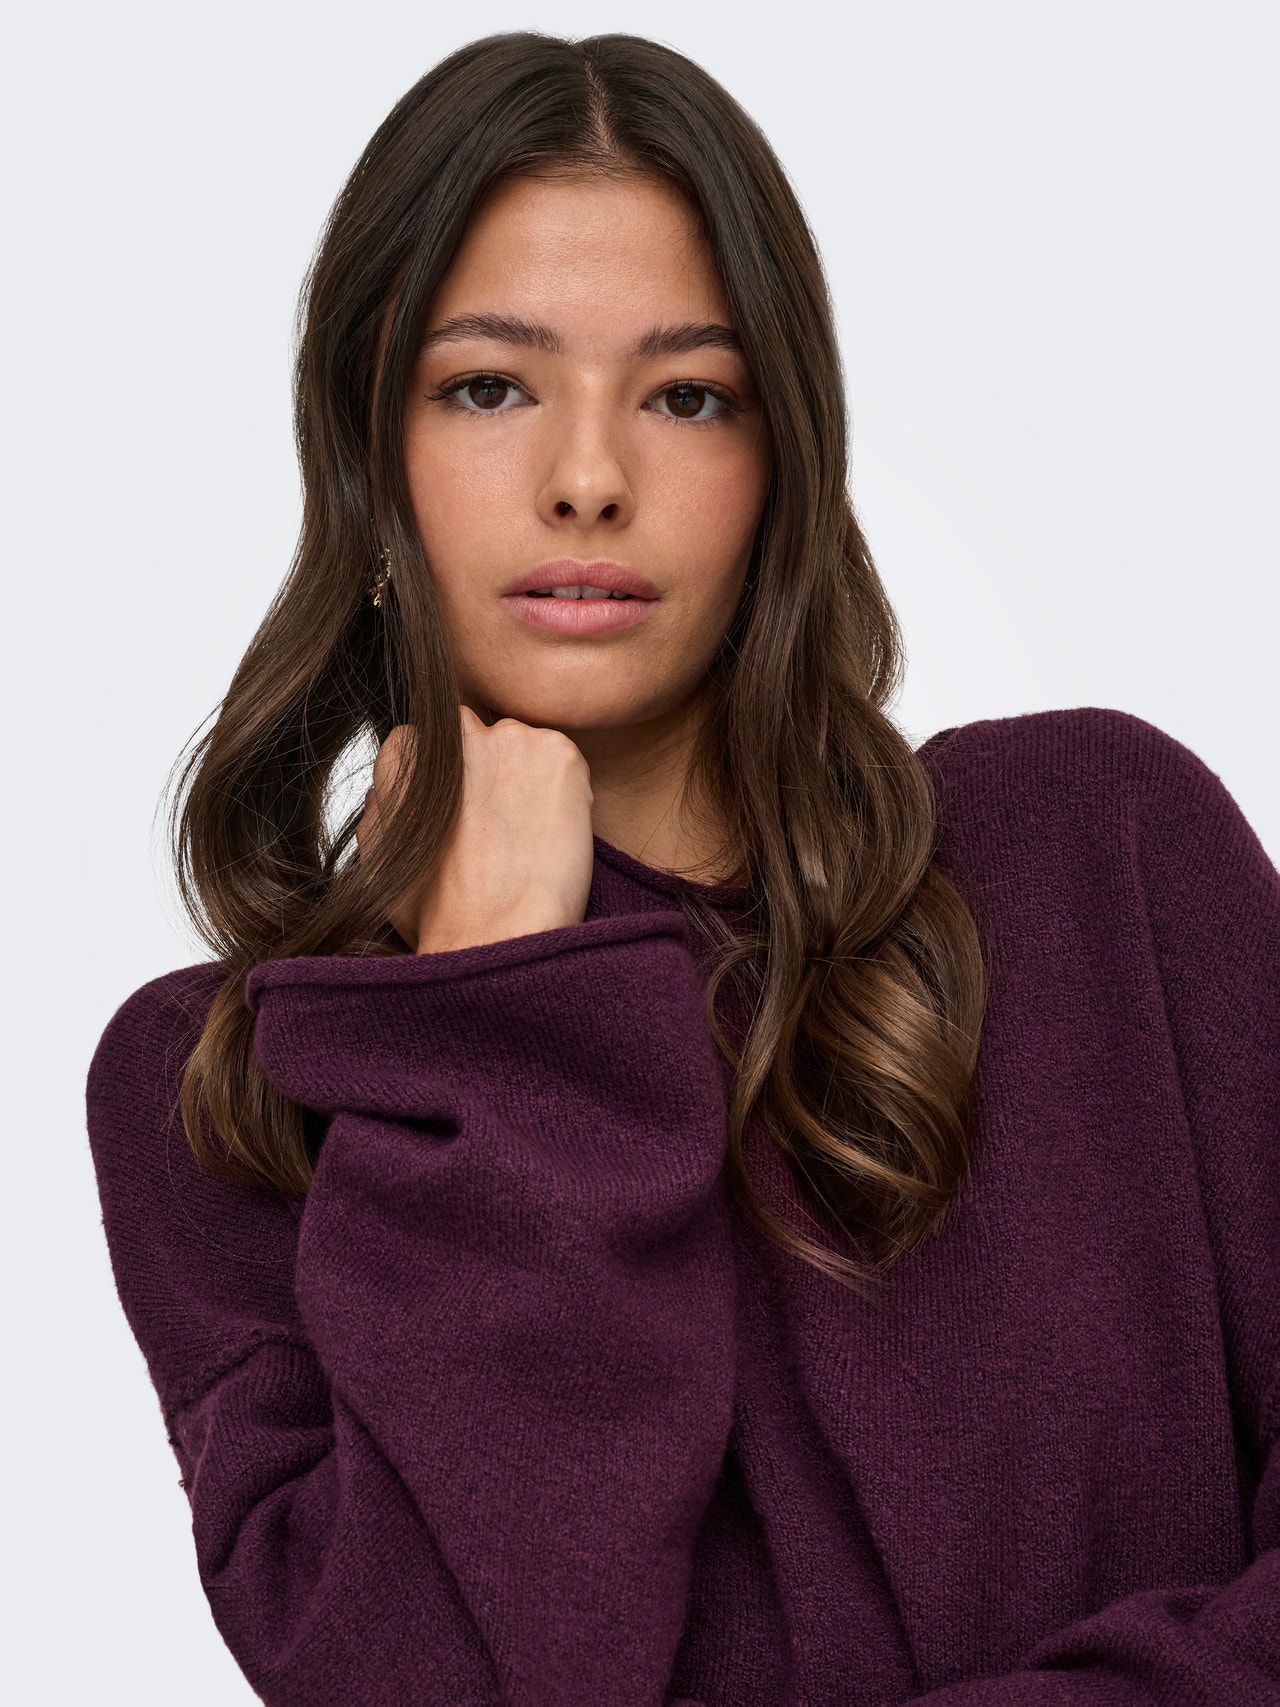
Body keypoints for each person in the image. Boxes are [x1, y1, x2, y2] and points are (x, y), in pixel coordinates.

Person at [84, 31, 1280, 1707]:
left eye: (688, 395)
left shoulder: (1100, 855)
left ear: (781, 465)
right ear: (369, 456)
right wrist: (498, 1026)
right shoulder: (227, 1094)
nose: (588, 480)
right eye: (488, 387)